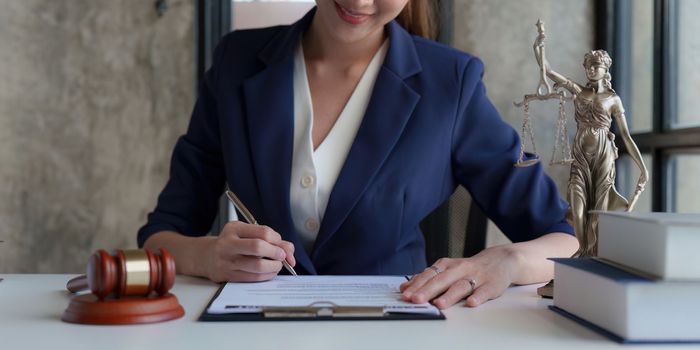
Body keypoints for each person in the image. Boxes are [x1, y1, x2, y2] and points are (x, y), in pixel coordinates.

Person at [138, 0, 579, 309]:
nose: (360, 0)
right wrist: (207, 255)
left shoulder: (452, 82)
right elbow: (162, 237)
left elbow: (564, 240)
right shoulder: (237, 61)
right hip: (258, 331)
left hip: (393, 331)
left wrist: (504, 260)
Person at [534, 40, 648, 257]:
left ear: (606, 69)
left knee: (598, 211)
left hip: (604, 155)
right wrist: (538, 49)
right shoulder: (579, 91)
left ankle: (592, 254)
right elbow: (548, 71)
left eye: (596, 65)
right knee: (577, 209)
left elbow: (625, 135)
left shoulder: (613, 99)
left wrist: (643, 168)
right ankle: (584, 249)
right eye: (588, 66)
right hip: (580, 155)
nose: (591, 69)